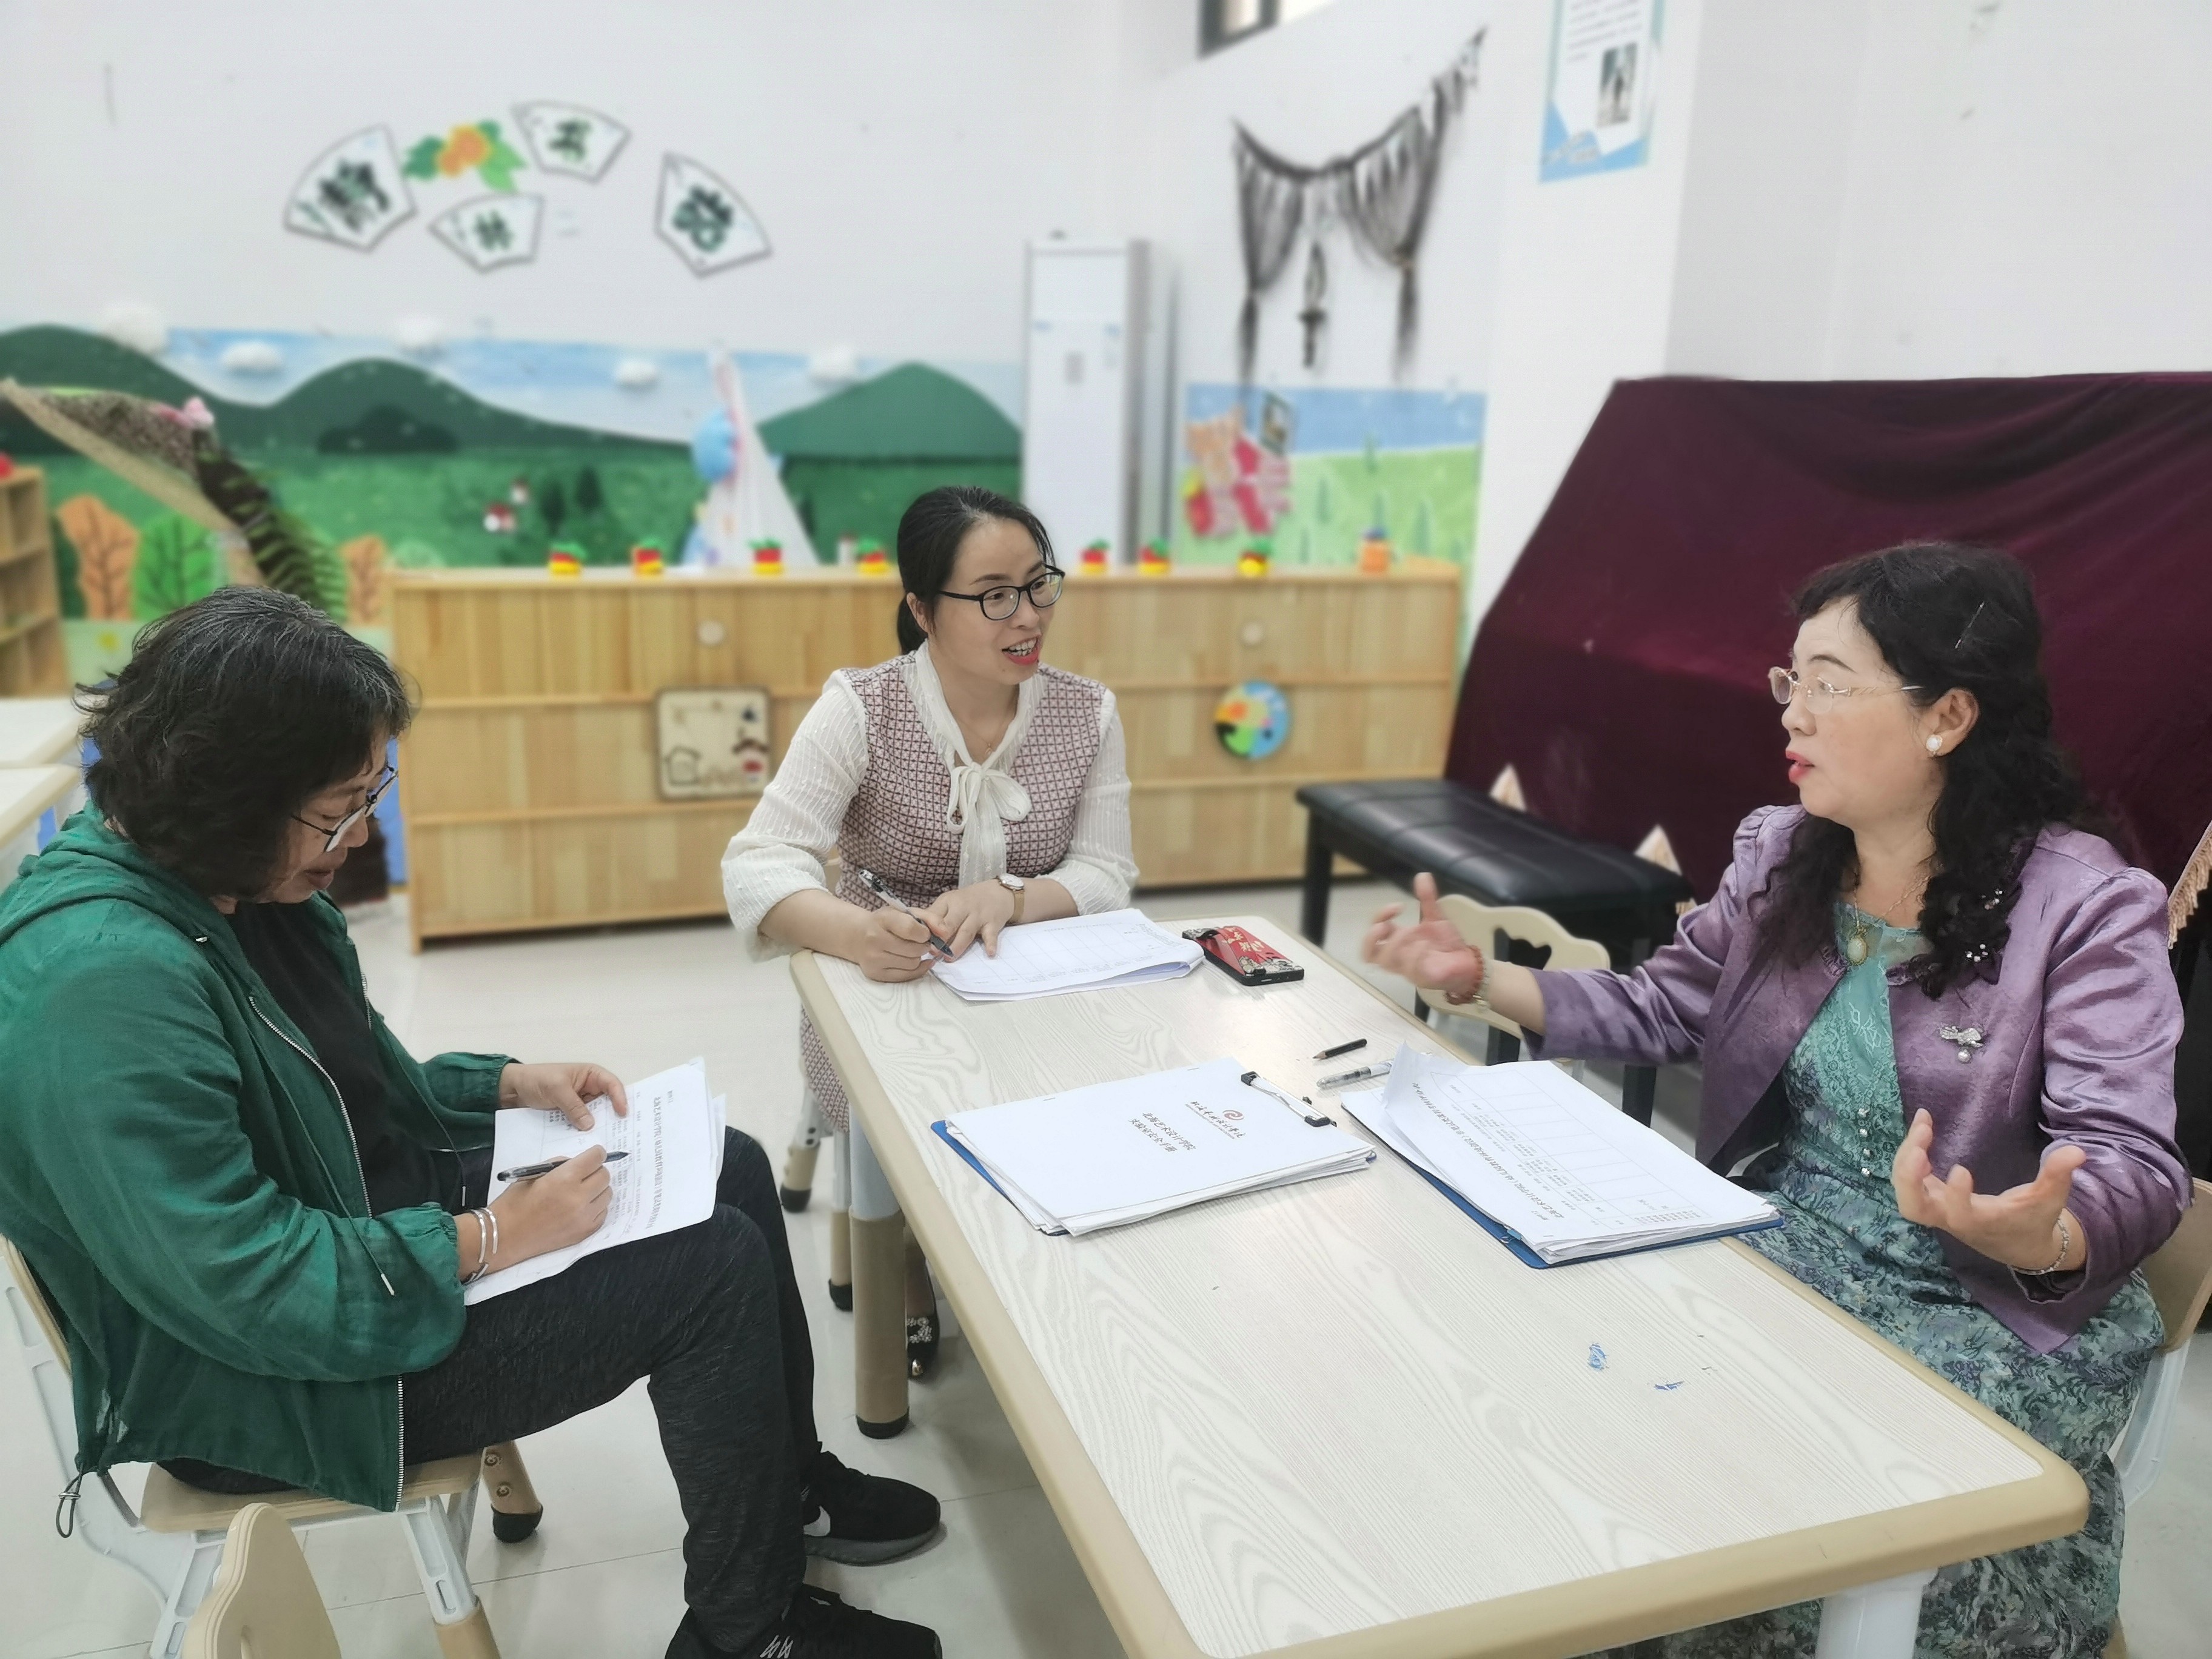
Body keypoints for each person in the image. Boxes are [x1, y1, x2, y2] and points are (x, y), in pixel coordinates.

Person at [0, 588, 942, 1659]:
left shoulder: (226, 881)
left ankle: (783, 1491)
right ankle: (745, 1630)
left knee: (724, 1165)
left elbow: (349, 1087)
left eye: (371, 796)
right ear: (229, 793)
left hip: (363, 1235)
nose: (360, 837)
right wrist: (496, 1236)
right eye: (338, 810)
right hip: (275, 1384)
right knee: (708, 1271)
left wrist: (505, 1085)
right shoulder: (103, 987)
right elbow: (246, 1285)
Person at [1364, 544, 2187, 1657]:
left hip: (1990, 1305)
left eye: (1830, 683)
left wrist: (2045, 1232)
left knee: (1780, 1534)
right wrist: (1480, 980)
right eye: (1791, 679)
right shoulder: (1784, 852)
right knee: (1573, 1433)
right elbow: (1666, 1007)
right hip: (1789, 1241)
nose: (1793, 713)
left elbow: (2134, 1161)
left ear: (1948, 716)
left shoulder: (2085, 907)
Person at [722, 484, 1137, 1376]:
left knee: (1086, 1100)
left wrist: (1011, 898)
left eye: (1040, 585)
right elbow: (758, 864)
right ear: (921, 609)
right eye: (993, 595)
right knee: (908, 1114)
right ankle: (905, 1254)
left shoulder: (1087, 713)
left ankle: (1042, 1256)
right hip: (890, 982)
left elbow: (1107, 874)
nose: (1028, 616)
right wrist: (855, 933)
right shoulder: (864, 707)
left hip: (1028, 980)